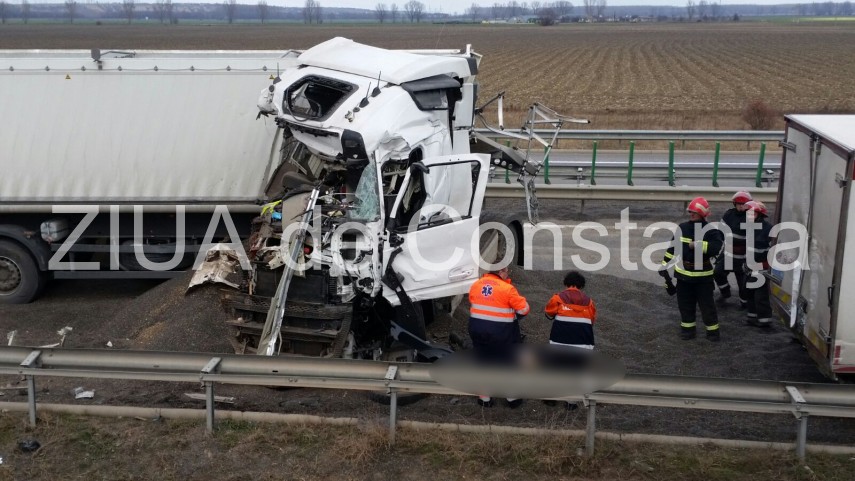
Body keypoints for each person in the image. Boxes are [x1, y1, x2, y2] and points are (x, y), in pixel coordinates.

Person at [660, 197, 724, 341]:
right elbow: (672, 248)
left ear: (702, 213)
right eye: (691, 211)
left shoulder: (711, 231)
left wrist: (698, 244)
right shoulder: (682, 227)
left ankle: (713, 333)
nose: (692, 214)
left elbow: (716, 248)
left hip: (703, 278)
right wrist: (664, 264)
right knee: (685, 305)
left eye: (695, 212)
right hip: (683, 276)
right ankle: (688, 331)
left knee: (707, 307)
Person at [468, 265, 530, 408]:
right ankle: (512, 398)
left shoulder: (476, 285)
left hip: (477, 330)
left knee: (483, 362)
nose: (508, 274)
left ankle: (484, 399)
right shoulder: (507, 289)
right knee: (509, 363)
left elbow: (475, 303)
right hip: (501, 333)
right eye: (507, 271)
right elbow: (524, 309)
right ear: (501, 271)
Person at [544, 270, 597, 410]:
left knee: (555, 367)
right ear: (581, 286)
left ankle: (552, 398)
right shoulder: (589, 302)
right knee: (576, 369)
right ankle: (571, 402)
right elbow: (592, 321)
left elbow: (549, 312)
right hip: (583, 343)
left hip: (560, 340)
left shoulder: (558, 298)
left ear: (566, 283)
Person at [714, 191, 752, 308]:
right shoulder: (728, 214)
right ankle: (725, 293)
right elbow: (720, 231)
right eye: (739, 204)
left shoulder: (751, 217)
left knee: (743, 284)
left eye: (744, 204)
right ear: (734, 204)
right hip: (728, 254)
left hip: (742, 257)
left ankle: (745, 304)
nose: (741, 206)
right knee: (718, 273)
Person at [743, 201, 775, 327]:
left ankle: (765, 321)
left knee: (760, 296)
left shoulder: (767, 229)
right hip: (751, 267)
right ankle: (752, 317)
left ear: (759, 214)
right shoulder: (750, 227)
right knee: (749, 292)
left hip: (762, 268)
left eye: (752, 213)